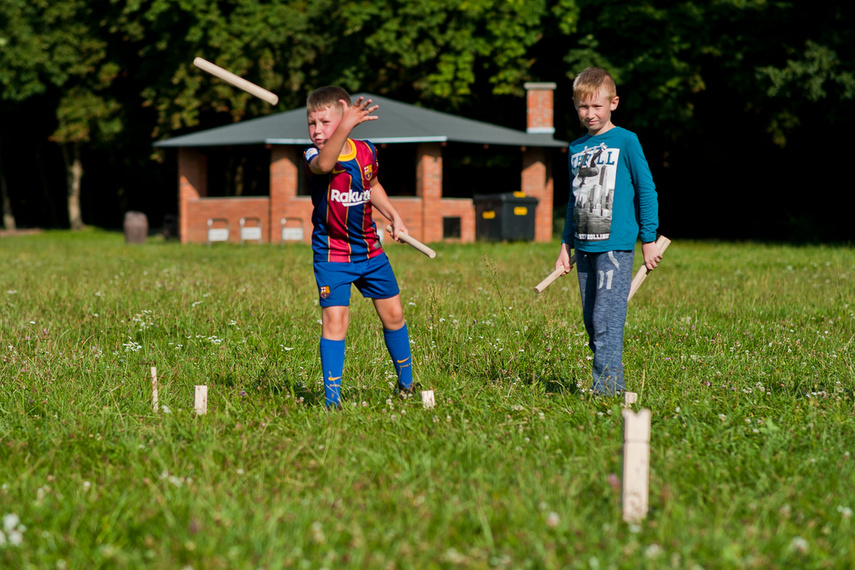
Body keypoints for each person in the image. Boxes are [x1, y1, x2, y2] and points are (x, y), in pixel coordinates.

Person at [303, 86, 414, 408]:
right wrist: (344, 126)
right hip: (332, 256)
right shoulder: (313, 155)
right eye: (312, 123)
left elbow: (373, 184)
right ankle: (332, 402)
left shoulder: (366, 150)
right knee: (335, 322)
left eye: (325, 122)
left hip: (370, 252)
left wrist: (394, 216)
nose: (317, 130)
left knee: (394, 315)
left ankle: (406, 385)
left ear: (342, 118)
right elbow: (326, 165)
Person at [554, 67, 662, 396]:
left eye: (596, 106)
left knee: (606, 321)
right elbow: (574, 199)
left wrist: (648, 239)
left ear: (613, 103)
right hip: (584, 247)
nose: (590, 113)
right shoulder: (576, 148)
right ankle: (607, 380)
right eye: (583, 106)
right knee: (592, 321)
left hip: (615, 247)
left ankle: (608, 392)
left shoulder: (626, 141)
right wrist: (565, 245)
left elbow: (646, 191)